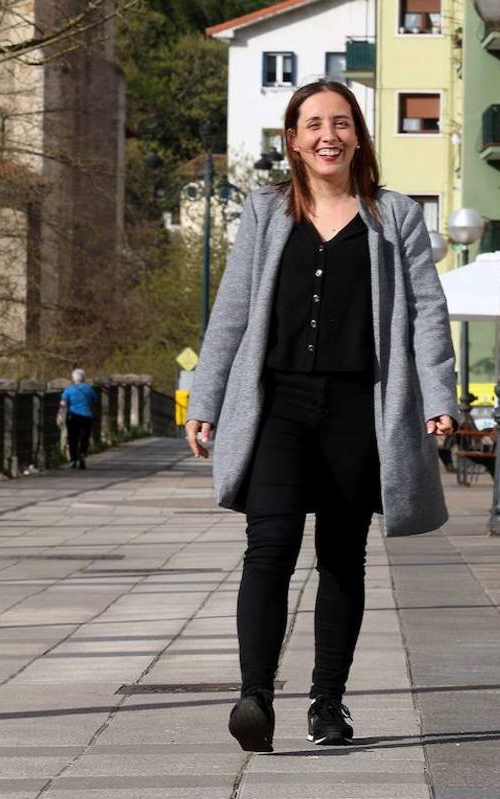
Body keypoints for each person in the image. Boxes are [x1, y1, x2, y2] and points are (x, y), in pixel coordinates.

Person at [184, 80, 457, 753]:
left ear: (358, 135)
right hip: (277, 403)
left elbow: (426, 309)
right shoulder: (265, 208)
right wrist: (206, 396)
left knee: (342, 556)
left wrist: (440, 397)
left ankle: (327, 702)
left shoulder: (393, 215)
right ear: (294, 139)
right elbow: (235, 308)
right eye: (312, 124)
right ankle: (254, 698)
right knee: (268, 544)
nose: (326, 135)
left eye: (339, 122)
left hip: (358, 409)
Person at [58, 368, 97, 469]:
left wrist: (59, 415)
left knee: (72, 438)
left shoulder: (69, 390)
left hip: (73, 416)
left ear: (73, 378)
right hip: (87, 417)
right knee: (85, 437)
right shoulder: (89, 389)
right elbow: (95, 401)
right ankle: (83, 453)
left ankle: (73, 460)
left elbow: (63, 404)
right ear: (84, 378)